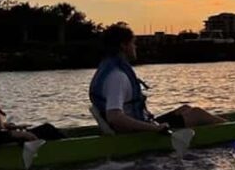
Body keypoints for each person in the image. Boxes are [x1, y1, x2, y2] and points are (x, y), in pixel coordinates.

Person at [89, 23, 226, 134]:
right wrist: (155, 129)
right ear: (123, 46)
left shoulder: (109, 70)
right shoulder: (117, 77)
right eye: (132, 43)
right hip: (135, 133)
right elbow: (114, 117)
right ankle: (234, 129)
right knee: (197, 114)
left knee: (185, 109)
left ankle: (225, 125)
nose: (135, 47)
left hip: (138, 126)